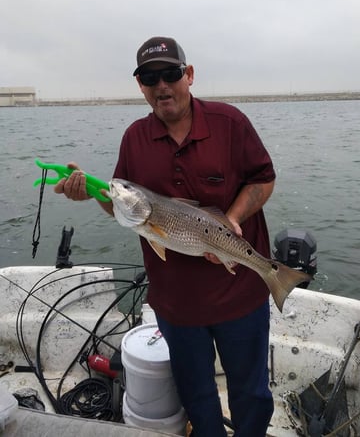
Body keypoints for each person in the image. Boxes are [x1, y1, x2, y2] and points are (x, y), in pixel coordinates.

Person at [55, 36, 276, 437]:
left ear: (189, 76)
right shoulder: (134, 139)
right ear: (140, 85)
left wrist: (233, 219)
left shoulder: (230, 123)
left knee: (252, 393)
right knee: (195, 392)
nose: (162, 86)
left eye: (171, 74)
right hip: (176, 301)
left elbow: (263, 179)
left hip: (239, 288)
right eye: (149, 77)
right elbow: (127, 209)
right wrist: (90, 191)